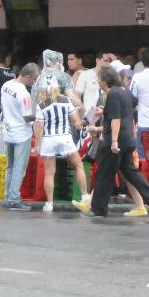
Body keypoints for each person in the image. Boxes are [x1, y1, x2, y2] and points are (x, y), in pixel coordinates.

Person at [83, 66, 149, 219]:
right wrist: (106, 111)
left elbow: (116, 119)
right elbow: (130, 105)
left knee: (104, 174)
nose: (98, 82)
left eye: (99, 79)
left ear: (105, 80)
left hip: (115, 141)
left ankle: (98, 209)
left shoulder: (112, 94)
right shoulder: (125, 93)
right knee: (131, 172)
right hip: (128, 139)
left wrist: (114, 141)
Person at [33, 83, 90, 214]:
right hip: (64, 137)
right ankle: (84, 196)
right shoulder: (65, 100)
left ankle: (49, 204)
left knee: (49, 173)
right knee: (78, 166)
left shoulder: (41, 105)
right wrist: (80, 123)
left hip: (48, 139)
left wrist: (37, 145)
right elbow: (76, 122)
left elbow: (39, 126)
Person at [0, 63, 39, 210]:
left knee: (10, 166)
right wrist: (40, 116)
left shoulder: (6, 85)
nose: (34, 82)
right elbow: (27, 116)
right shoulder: (23, 93)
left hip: (8, 130)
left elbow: (2, 107)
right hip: (22, 133)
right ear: (27, 77)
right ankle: (14, 198)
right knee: (19, 167)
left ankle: (8, 196)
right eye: (34, 79)